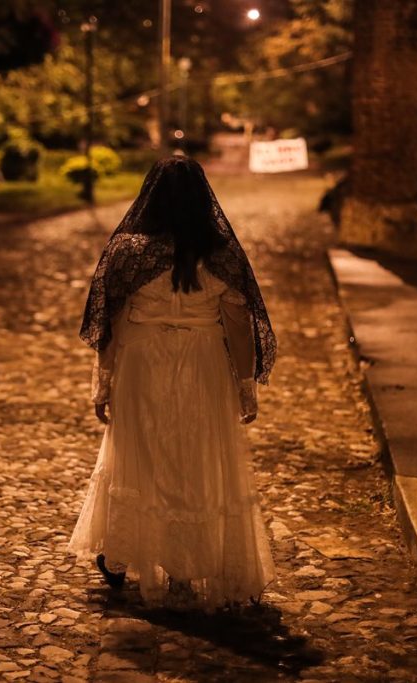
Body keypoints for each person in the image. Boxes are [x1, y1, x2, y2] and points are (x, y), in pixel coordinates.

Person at [67, 155, 277, 609]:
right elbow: (238, 326)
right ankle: (186, 560)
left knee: (137, 455)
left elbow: (112, 323)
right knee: (193, 460)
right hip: (202, 364)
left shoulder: (128, 251)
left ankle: (122, 553)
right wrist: (245, 387)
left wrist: (102, 383)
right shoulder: (220, 254)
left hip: (142, 363)